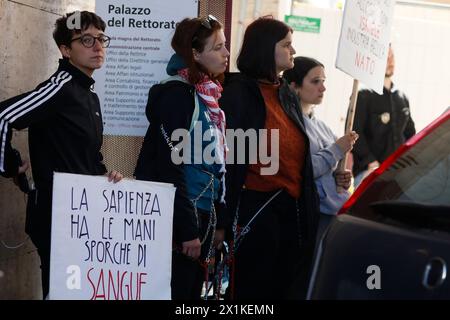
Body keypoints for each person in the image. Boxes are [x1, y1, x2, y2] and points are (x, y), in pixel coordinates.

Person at [0, 11, 123, 298]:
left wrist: (106, 177)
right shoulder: (60, 88)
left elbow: (87, 157)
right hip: (56, 219)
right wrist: (10, 164)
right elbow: (3, 116)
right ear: (65, 50)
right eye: (87, 40)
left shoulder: (89, 95)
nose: (98, 46)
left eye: (101, 39)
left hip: (84, 218)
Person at [219, 17, 319, 300]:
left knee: (283, 288)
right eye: (287, 45)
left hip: (290, 210)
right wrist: (222, 221)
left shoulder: (285, 92)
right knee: (252, 291)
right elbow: (229, 161)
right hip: (256, 209)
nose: (293, 51)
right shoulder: (239, 93)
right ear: (266, 49)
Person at [134, 15, 230, 300]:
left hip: (201, 214)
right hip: (180, 220)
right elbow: (170, 166)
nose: (226, 54)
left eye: (225, 46)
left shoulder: (205, 95)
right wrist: (187, 229)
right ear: (195, 54)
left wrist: (217, 221)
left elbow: (213, 165)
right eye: (218, 48)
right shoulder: (177, 96)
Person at [283, 56, 358, 243]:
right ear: (294, 86)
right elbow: (302, 170)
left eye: (323, 82)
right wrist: (336, 150)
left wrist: (341, 177)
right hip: (308, 216)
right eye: (315, 81)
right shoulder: (289, 125)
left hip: (331, 213)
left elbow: (329, 171)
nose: (323, 88)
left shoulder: (323, 127)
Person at [351, 44, 416, 187]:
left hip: (398, 174)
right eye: (385, 58)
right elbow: (354, 133)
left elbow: (410, 133)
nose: (390, 61)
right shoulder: (363, 95)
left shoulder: (402, 97)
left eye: (392, 56)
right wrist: (371, 162)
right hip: (369, 173)